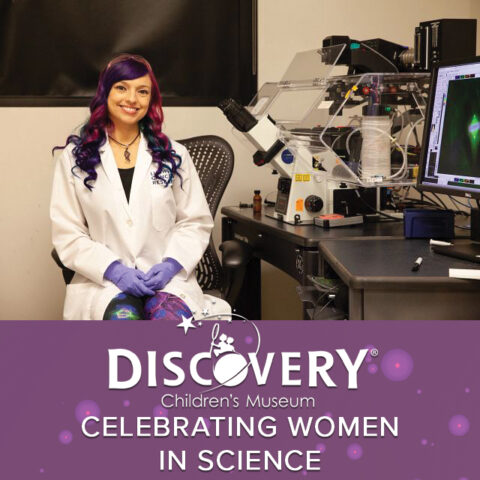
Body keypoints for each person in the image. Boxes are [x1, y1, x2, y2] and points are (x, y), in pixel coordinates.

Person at [50, 54, 230, 320]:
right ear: (105, 93)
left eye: (142, 91)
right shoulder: (75, 158)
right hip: (104, 284)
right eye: (122, 88)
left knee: (170, 327)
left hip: (168, 282)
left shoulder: (173, 155)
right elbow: (68, 233)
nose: (132, 99)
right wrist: (113, 270)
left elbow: (196, 222)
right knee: (123, 322)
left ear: (151, 100)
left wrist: (170, 265)